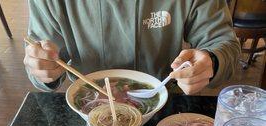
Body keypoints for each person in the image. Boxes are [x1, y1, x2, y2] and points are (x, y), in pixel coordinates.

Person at [24, 0, 240, 95]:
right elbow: (40, 56)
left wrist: (211, 60)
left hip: (162, 100)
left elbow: (224, 42)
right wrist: (42, 67)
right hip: (88, 104)